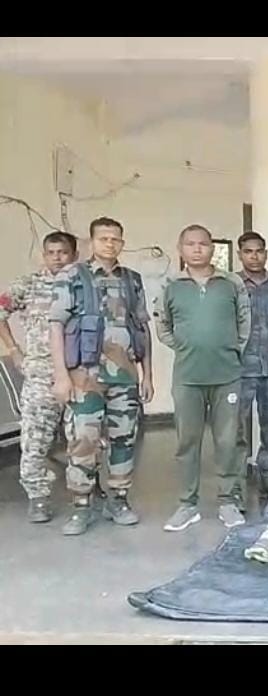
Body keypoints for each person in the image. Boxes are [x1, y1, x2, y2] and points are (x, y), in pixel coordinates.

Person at [48, 216, 154, 536]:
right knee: (83, 439)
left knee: (124, 438)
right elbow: (56, 326)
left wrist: (147, 375)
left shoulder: (132, 280)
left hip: (125, 376)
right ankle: (82, 505)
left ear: (122, 243)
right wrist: (61, 376)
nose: (110, 243)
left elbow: (142, 328)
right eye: (103, 238)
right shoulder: (72, 276)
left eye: (115, 239)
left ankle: (118, 499)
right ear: (91, 242)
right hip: (84, 376)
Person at [155, 225, 251, 531]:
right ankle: (187, 504)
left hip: (227, 375)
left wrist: (231, 349)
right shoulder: (171, 285)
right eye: (190, 244)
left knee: (228, 441)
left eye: (203, 244)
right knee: (187, 442)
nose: (197, 249)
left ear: (213, 248)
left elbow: (245, 322)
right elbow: (162, 326)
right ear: (180, 249)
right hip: (188, 376)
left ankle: (228, 501)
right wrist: (185, 347)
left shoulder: (231, 283)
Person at [0, 231, 77, 522]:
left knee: (83, 437)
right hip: (42, 374)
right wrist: (14, 350)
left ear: (74, 255)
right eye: (51, 252)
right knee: (35, 438)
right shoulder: (29, 285)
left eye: (63, 252)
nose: (57, 258)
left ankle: (85, 492)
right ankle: (38, 495)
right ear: (44, 255)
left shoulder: (83, 285)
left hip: (79, 372)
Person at [235, 231, 268, 501]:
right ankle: (236, 483)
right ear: (240, 254)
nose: (254, 256)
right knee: (236, 428)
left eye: (259, 251)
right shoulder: (231, 285)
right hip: (240, 369)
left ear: (266, 253)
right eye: (248, 251)